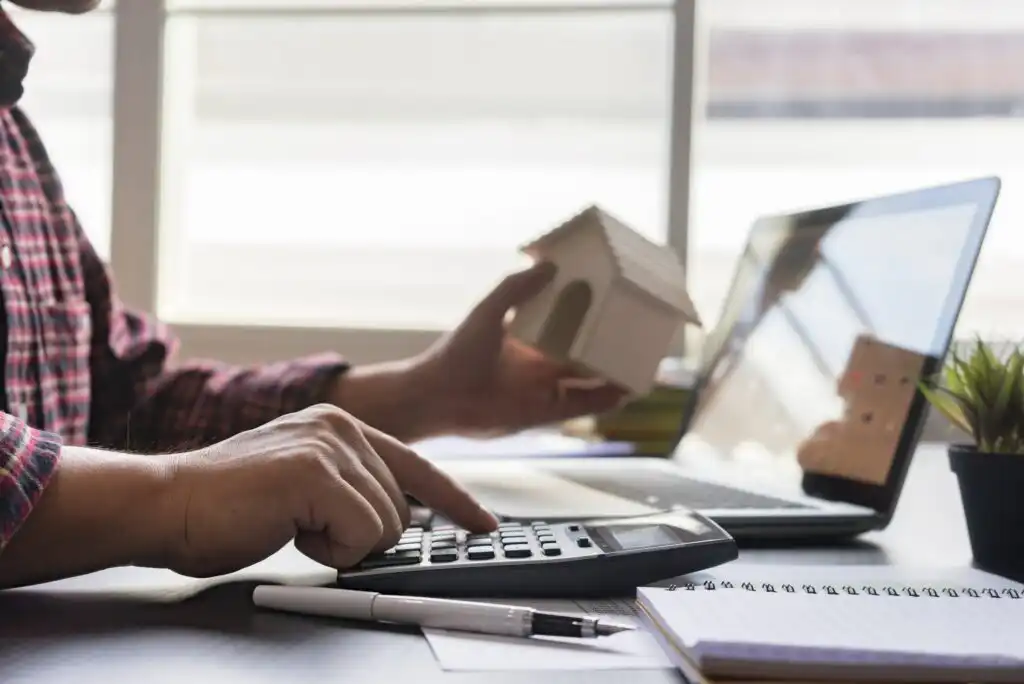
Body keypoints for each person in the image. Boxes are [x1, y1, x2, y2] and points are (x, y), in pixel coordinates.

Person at [0, 0, 626, 589]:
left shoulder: (13, 136)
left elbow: (126, 410)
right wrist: (178, 496)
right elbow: (156, 470)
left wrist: (421, 395)